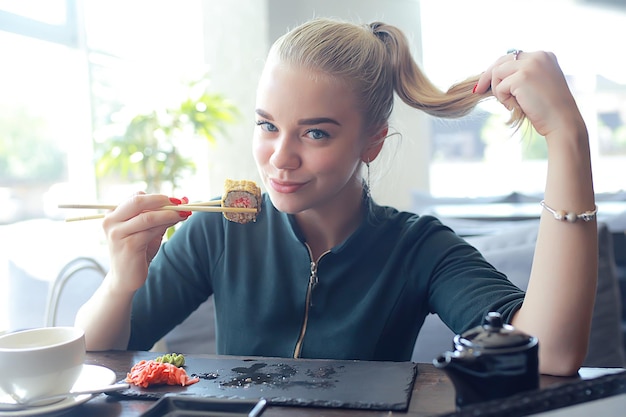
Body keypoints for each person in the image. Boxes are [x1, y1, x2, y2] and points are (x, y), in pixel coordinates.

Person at [75, 18, 597, 377]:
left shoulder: (419, 248)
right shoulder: (220, 226)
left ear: (372, 140)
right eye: (267, 125)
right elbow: (94, 356)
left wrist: (567, 136)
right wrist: (121, 281)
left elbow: (550, 355)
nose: (280, 157)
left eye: (316, 133)